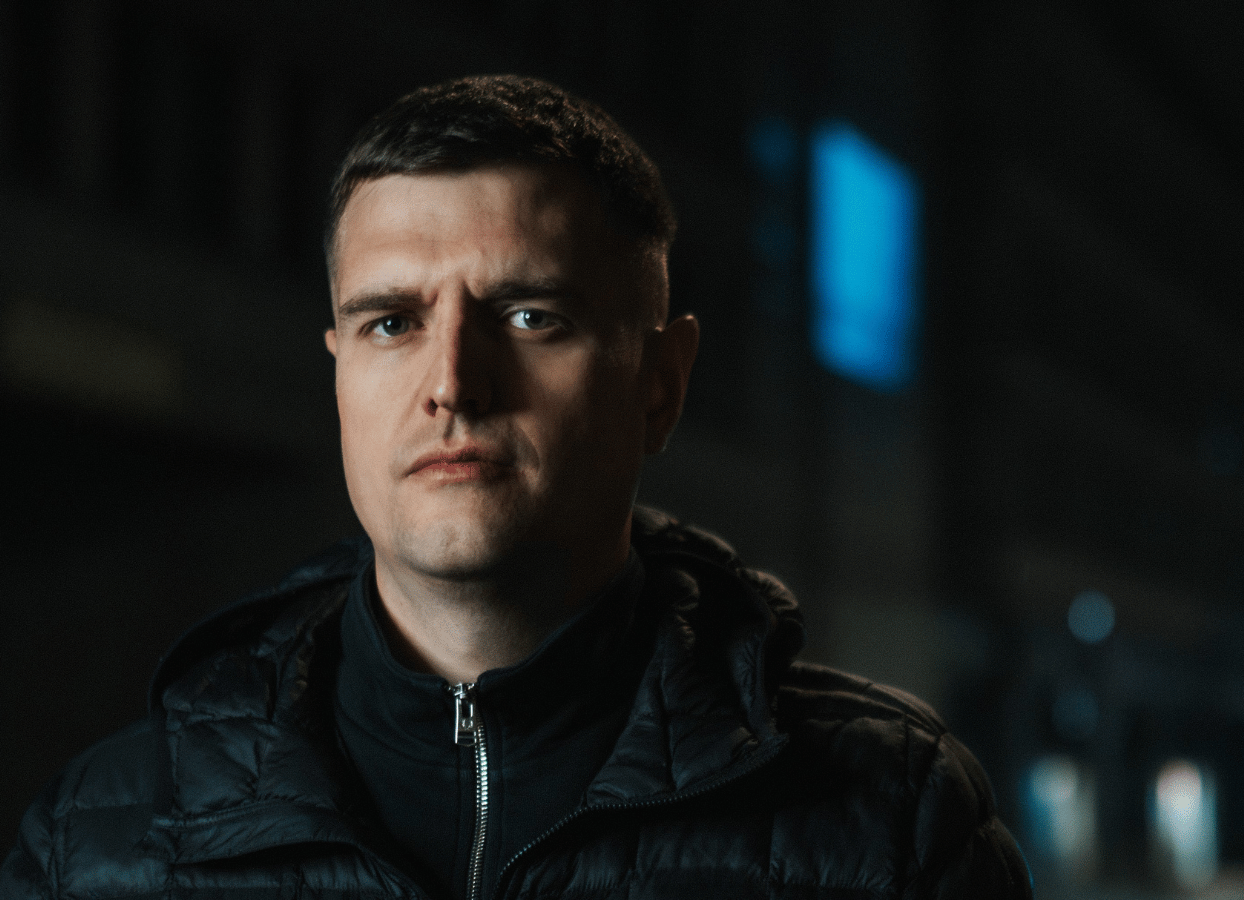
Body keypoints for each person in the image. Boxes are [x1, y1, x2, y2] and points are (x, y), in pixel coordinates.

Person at [2, 75, 1031, 900]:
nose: (452, 384)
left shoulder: (890, 821)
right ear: (338, 375)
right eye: (390, 323)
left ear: (659, 385)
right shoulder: (94, 848)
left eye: (531, 317)